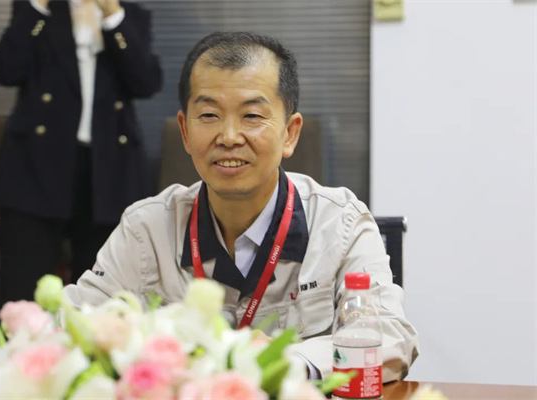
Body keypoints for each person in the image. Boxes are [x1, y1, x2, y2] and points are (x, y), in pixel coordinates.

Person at [64, 32, 418, 381]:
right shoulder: (146, 229)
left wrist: (287, 362)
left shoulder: (341, 223)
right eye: (209, 115)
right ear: (185, 131)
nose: (229, 137)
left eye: (251, 116)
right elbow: (71, 327)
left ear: (290, 133)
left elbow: (390, 336)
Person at [0, 0, 162, 305]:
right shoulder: (37, 10)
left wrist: (112, 16)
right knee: (23, 288)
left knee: (103, 293)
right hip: (36, 167)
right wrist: (38, 6)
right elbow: (5, 69)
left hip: (108, 167)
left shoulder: (129, 16)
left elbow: (146, 82)